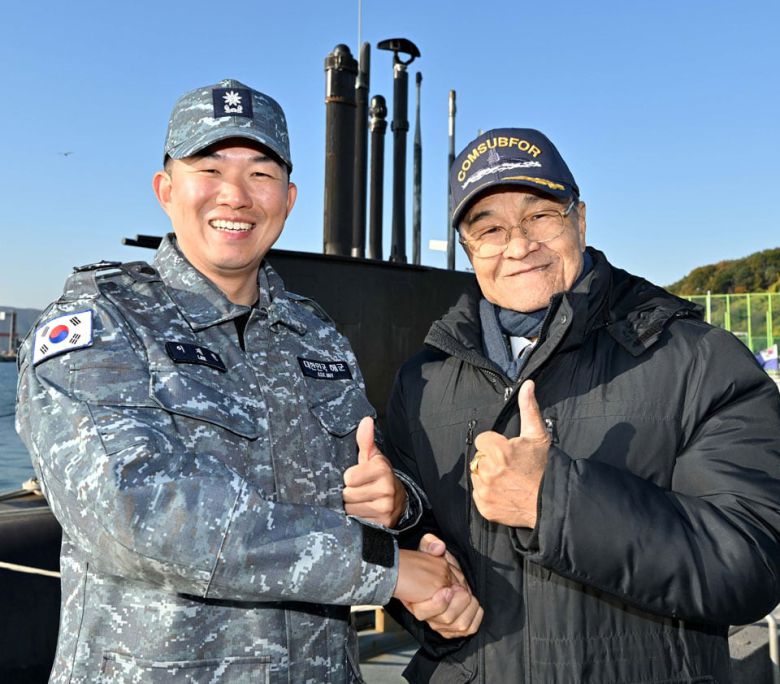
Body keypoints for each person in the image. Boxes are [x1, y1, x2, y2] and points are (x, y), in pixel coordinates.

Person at [15, 78, 463, 683]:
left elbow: (375, 467)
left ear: (289, 197)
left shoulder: (316, 337)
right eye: (211, 167)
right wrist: (383, 565)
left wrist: (396, 502)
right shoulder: (102, 325)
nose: (236, 195)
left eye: (260, 174)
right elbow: (136, 514)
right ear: (166, 189)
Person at [384, 127, 780, 682]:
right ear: (469, 249)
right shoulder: (420, 380)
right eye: (490, 229)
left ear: (580, 219)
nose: (518, 245)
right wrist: (418, 576)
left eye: (540, 216)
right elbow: (409, 558)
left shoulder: (699, 359)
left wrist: (555, 502)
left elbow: (754, 562)